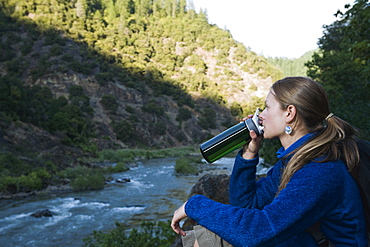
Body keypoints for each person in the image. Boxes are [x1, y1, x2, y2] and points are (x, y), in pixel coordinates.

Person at [171, 77, 368, 247]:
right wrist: (249, 152)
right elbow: (246, 206)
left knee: (212, 238)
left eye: (266, 107)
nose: (260, 116)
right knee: (212, 235)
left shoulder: (321, 169)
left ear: (289, 113)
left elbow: (257, 232)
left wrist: (194, 205)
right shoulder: (295, 160)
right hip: (309, 240)